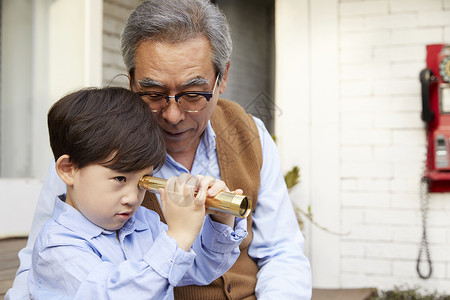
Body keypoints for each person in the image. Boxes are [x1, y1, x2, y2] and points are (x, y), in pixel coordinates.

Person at [7, 0, 312, 299]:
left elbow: (278, 253)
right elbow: (34, 273)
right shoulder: (87, 151)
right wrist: (177, 237)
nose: (173, 115)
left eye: (193, 94)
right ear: (131, 82)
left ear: (223, 78)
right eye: (153, 93)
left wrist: (221, 222)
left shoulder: (250, 134)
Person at [27, 87, 247, 299]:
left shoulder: (144, 224)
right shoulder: (57, 246)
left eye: (143, 182)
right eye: (120, 179)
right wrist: (178, 236)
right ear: (69, 170)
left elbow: (199, 268)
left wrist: (221, 219)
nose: (133, 198)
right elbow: (118, 294)